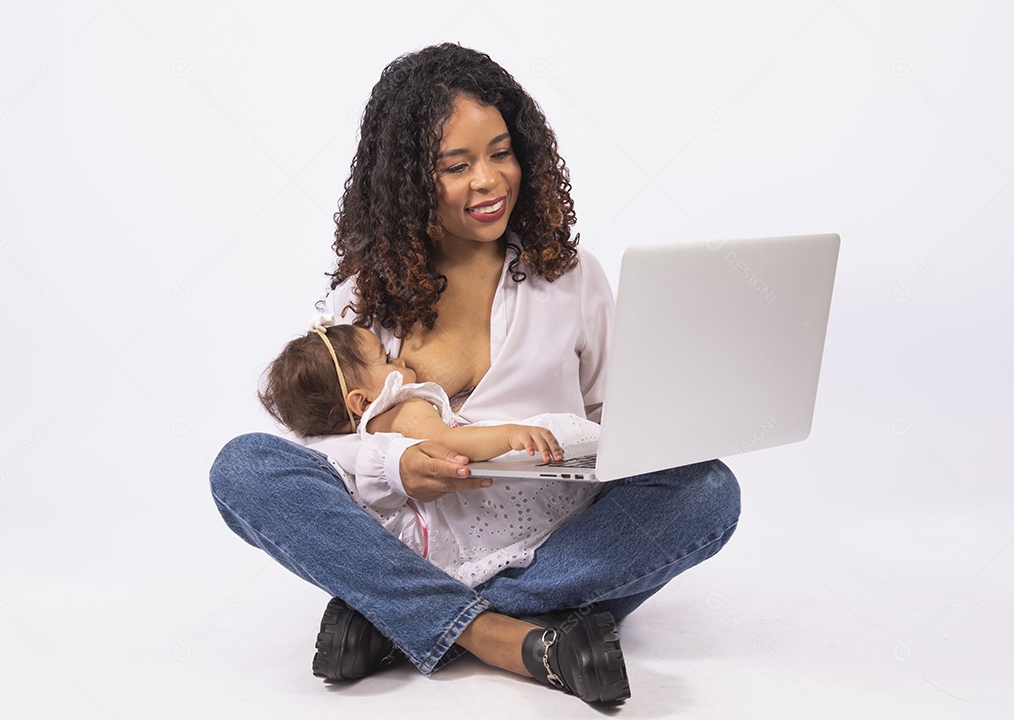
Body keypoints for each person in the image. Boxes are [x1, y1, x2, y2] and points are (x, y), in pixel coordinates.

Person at [210, 42, 741, 705]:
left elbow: (615, 421)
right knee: (245, 468)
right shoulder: (364, 294)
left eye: (501, 152)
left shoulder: (569, 279)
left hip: (548, 542)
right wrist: (395, 463)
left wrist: (664, 428)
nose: (490, 181)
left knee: (710, 492)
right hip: (409, 535)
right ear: (408, 182)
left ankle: (394, 616)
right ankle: (516, 637)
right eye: (456, 165)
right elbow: (324, 432)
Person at [258, 315, 604, 587]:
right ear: (361, 401)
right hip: (474, 501)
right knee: (574, 460)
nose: (401, 360)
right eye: (388, 359)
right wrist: (511, 434)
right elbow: (453, 446)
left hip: (421, 544)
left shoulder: (346, 443)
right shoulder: (405, 411)